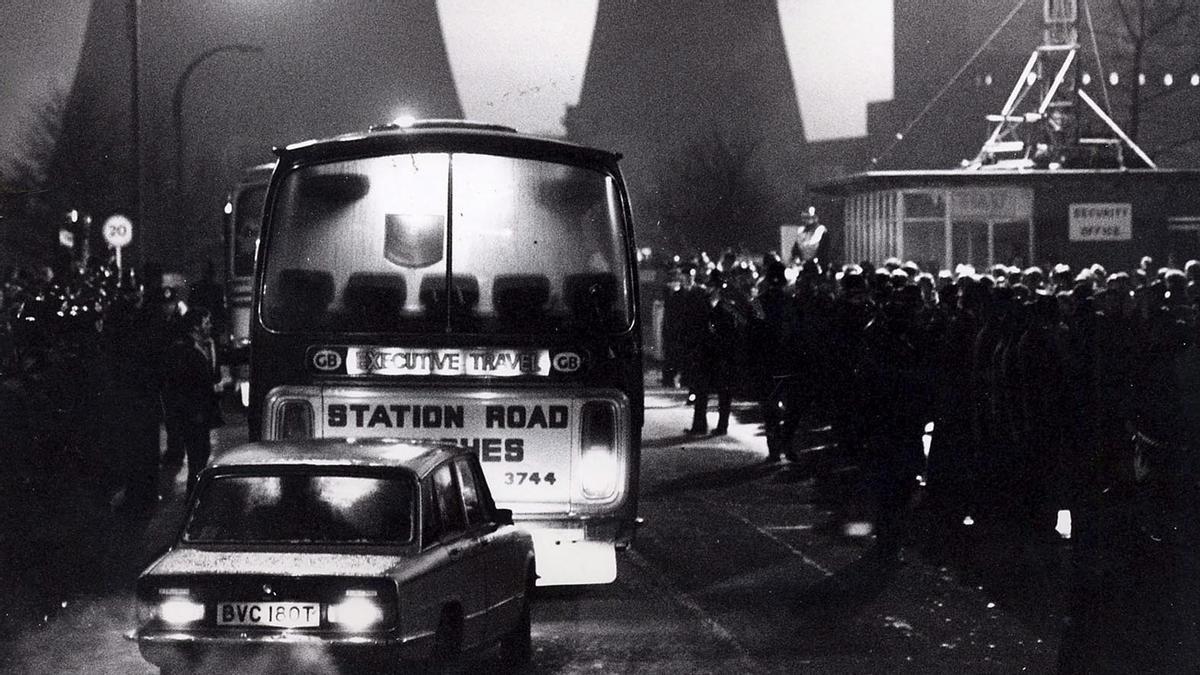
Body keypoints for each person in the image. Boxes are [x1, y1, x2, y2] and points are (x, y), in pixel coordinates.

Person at [162, 307, 223, 495]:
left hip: (203, 412)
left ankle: (196, 493)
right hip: (192, 413)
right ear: (195, 327)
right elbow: (181, 384)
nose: (210, 325)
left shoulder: (207, 345)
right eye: (206, 322)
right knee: (198, 455)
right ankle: (194, 495)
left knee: (202, 453)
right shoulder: (183, 349)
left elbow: (213, 374)